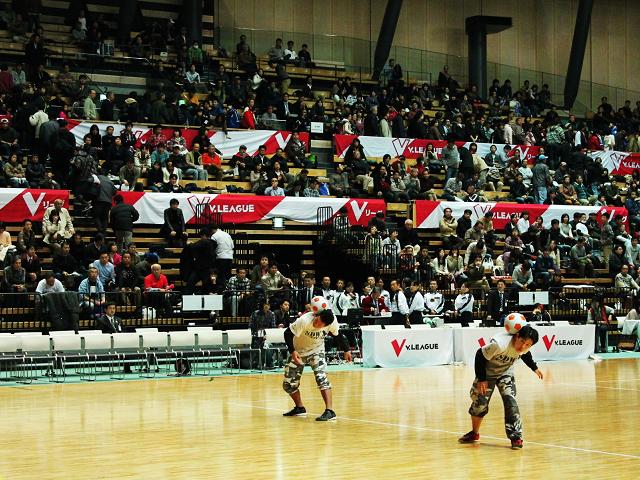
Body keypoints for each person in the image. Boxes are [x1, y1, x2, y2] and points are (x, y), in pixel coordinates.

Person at [458, 325, 543, 449]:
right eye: (522, 342)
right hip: (487, 373)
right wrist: (482, 379)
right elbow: (480, 355)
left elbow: (525, 354)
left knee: (511, 401)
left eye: (528, 345)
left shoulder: (524, 347)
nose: (523, 347)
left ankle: (516, 437)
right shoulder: (499, 344)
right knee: (480, 404)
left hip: (505, 373)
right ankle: (474, 433)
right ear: (516, 336)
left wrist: (534, 368)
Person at [282, 308, 352, 421]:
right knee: (288, 385)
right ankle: (300, 408)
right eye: (317, 320)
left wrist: (346, 350)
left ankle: (330, 411)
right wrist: (293, 351)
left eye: (320, 324)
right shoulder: (304, 320)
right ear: (316, 315)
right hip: (298, 352)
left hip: (316, 351)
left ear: (326, 325)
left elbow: (338, 335)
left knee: (321, 378)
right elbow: (287, 333)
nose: (316, 324)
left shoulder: (332, 322)